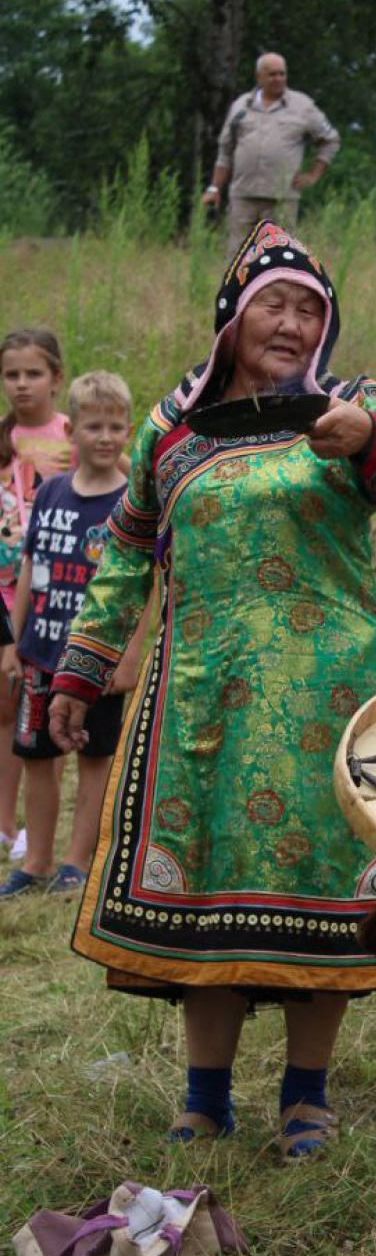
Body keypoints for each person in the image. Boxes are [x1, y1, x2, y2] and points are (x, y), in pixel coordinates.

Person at [48, 221, 376, 1157]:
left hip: (326, 697)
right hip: (201, 700)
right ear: (232, 315)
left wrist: (373, 440)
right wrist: (82, 665)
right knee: (203, 892)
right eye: (274, 302)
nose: (292, 322)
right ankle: (205, 1097)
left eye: (311, 309)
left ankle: (307, 1096)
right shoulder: (171, 429)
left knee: (319, 887)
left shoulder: (350, 407)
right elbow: (125, 553)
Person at [1, 372, 146, 897]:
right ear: (72, 432)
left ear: (128, 432)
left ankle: (76, 861)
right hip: (40, 656)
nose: (104, 438)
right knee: (37, 756)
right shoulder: (53, 492)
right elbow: (29, 571)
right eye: (93, 427)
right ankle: (36, 860)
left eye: (115, 428)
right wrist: (13, 646)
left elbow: (142, 591)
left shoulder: (132, 505)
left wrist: (127, 659)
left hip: (98, 664)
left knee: (92, 757)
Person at [0, 327, 73, 860]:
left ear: (56, 377)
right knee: (5, 712)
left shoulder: (75, 433)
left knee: (52, 715)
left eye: (33, 373)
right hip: (5, 596)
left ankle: (40, 830)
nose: (21, 384)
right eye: (11, 375)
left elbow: (119, 483)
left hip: (58, 599)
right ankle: (4, 826)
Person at [201, 54, 340, 246]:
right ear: (259, 77)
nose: (278, 79)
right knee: (238, 258)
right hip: (243, 196)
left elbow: (330, 140)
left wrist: (312, 175)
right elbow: (225, 150)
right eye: (272, 74)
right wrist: (214, 188)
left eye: (282, 74)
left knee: (278, 258)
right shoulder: (241, 106)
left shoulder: (303, 107)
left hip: (281, 198)